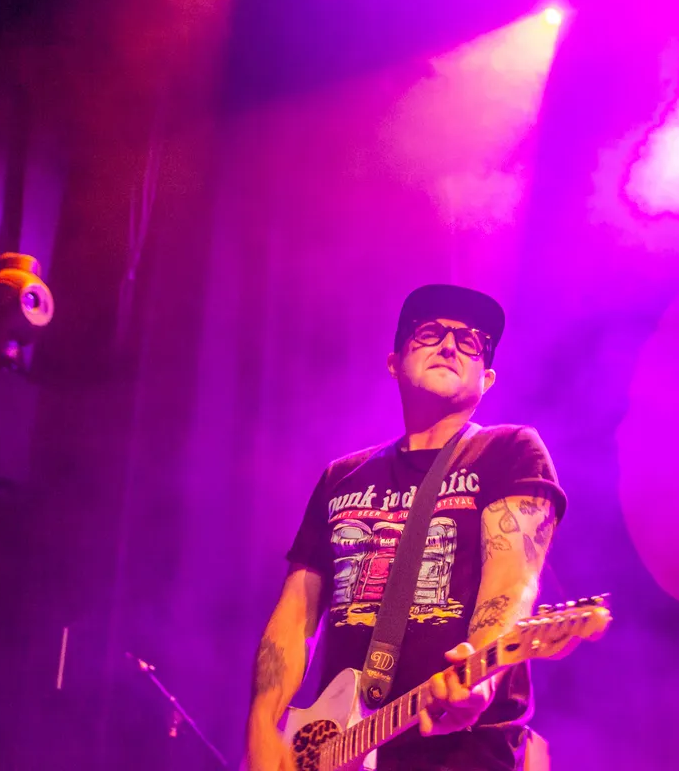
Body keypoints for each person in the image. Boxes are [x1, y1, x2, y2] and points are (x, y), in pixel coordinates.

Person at [243, 284, 566, 771]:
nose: (450, 346)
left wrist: (478, 678)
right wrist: (262, 727)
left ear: (487, 379)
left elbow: (512, 581)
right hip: (334, 748)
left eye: (471, 341)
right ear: (394, 362)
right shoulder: (341, 477)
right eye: (430, 332)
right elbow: (294, 615)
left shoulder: (509, 451)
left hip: (461, 754)